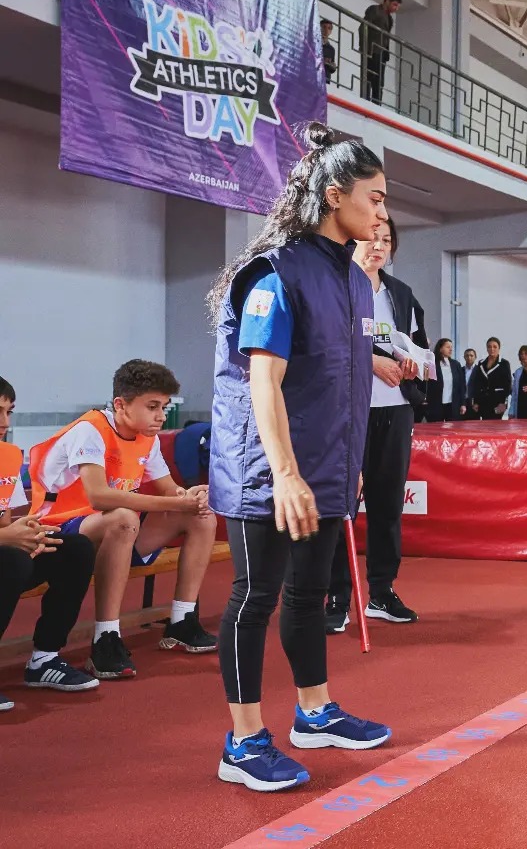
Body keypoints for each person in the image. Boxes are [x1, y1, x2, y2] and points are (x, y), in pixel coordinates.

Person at [206, 122, 391, 792]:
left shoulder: (358, 283)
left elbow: (341, 379)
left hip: (325, 466)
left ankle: (314, 712)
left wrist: (347, 463)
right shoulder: (275, 272)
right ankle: (244, 739)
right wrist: (284, 472)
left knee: (309, 594)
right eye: (373, 198)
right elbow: (264, 380)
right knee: (254, 595)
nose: (381, 212)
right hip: (266, 467)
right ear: (335, 194)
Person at [27, 360, 218, 679]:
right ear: (121, 404)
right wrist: (171, 502)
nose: (161, 415)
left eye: (164, 407)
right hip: (61, 532)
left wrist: (190, 496)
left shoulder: (148, 437)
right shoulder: (90, 430)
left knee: (200, 516)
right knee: (123, 517)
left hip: (116, 530)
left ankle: (182, 621)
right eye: (152, 406)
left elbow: (170, 491)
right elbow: (99, 497)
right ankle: (105, 638)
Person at [326, 218, 422, 636]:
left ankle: (382, 591)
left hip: (395, 412)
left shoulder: (401, 294)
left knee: (387, 505)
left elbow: (417, 344)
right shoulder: (337, 288)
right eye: (370, 239)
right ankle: (335, 594)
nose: (378, 247)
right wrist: (369, 360)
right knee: (342, 505)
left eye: (386, 241)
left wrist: (414, 364)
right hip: (349, 412)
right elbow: (324, 348)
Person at [0, 375, 100, 707]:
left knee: (71, 548)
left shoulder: (7, 457)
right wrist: (8, 538)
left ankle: (44, 658)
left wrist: (27, 532)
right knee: (12, 559)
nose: (5, 423)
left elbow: (5, 522)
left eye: (9, 412)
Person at [360, 0, 401, 105]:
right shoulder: (375, 10)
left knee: (379, 82)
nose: (396, 8)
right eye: (394, 4)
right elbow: (364, 26)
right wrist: (365, 48)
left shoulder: (390, 19)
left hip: (382, 53)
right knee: (369, 78)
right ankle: (366, 102)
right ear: (387, 1)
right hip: (371, 50)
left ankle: (377, 104)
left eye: (397, 6)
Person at [470, 337, 511, 420]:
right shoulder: (481, 363)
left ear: (499, 348)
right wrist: (475, 402)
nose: (492, 349)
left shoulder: (504, 363)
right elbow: (476, 384)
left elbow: (508, 385)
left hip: (497, 402)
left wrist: (504, 403)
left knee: (495, 428)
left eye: (495, 347)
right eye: (489, 346)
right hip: (483, 402)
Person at [425, 339, 465, 422]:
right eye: (447, 347)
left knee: (452, 430)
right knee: (436, 430)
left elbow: (461, 385)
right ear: (440, 349)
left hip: (453, 404)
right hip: (436, 404)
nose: (450, 349)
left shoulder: (456, 364)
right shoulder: (432, 364)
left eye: (451, 347)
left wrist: (463, 404)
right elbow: (426, 383)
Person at [319, 18, 337, 84]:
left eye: (329, 28)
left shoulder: (331, 49)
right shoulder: (313, 43)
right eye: (324, 27)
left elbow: (332, 69)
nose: (326, 30)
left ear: (331, 31)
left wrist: (333, 66)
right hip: (313, 78)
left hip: (325, 80)